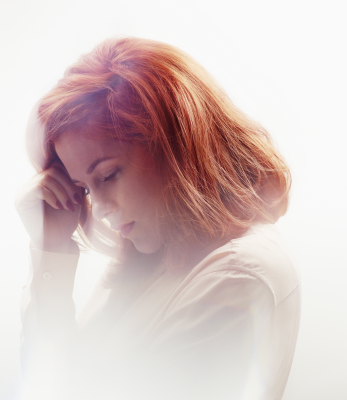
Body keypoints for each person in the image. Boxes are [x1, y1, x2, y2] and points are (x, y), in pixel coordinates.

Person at [15, 37, 301, 400]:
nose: (98, 208)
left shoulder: (237, 276)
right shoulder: (155, 253)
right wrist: (51, 247)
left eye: (108, 175)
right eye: (84, 188)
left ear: (177, 146)